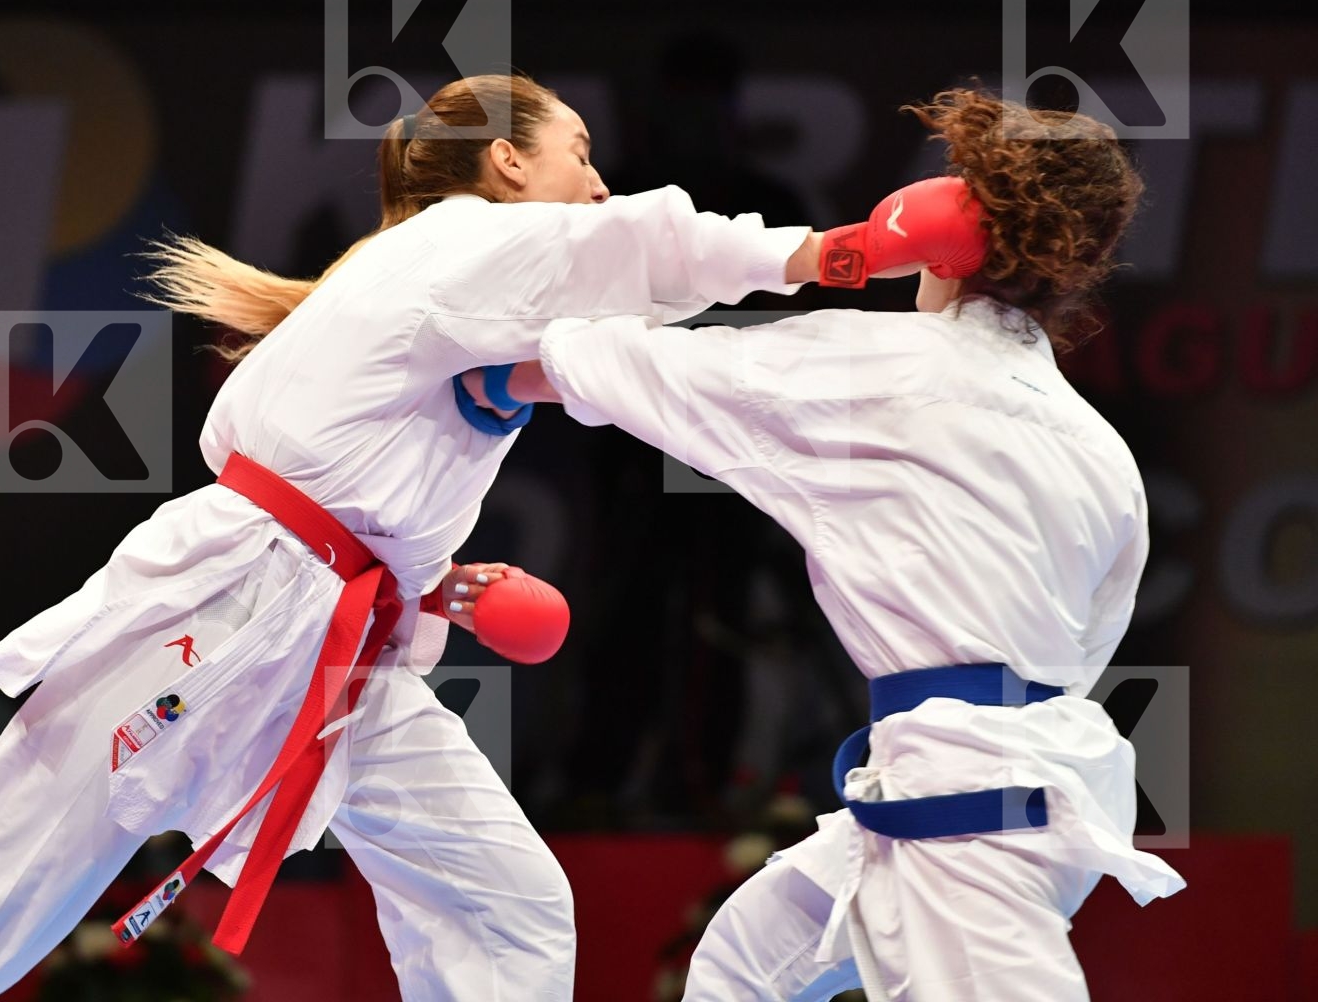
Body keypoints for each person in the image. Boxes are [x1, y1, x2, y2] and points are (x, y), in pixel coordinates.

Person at [0, 73, 824, 1002]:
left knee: (504, 905)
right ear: (507, 160)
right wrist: (826, 253)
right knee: (0, 876)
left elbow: (514, 398)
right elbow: (648, 247)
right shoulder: (464, 239)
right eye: (579, 154)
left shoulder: (434, 282)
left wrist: (424, 580)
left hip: (336, 642)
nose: (597, 185)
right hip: (226, 606)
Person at [471, 88, 1186, 1000]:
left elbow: (640, 366)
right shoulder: (1100, 450)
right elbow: (1089, 643)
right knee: (740, 970)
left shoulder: (884, 372)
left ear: (949, 235)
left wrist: (464, 353)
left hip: (965, 812)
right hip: (1004, 784)